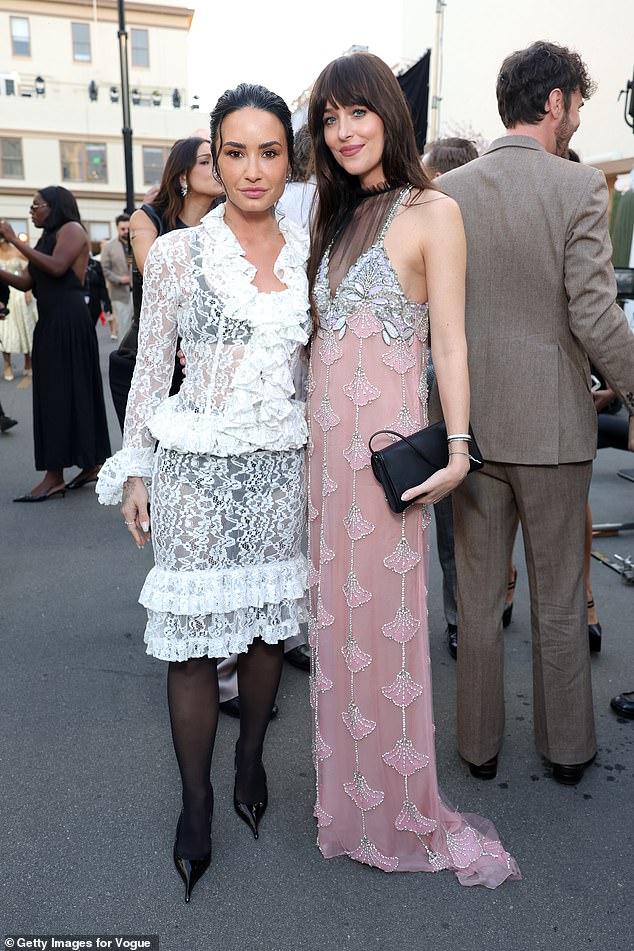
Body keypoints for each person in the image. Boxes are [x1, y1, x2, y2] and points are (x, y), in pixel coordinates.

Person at [306, 51, 519, 886]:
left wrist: (461, 448)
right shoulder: (335, 213)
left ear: (390, 113)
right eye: (329, 117)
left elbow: (452, 342)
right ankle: (348, 804)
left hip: (385, 459)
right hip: (325, 461)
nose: (344, 130)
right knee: (335, 632)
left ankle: (398, 808)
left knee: (384, 635)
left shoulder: (436, 209)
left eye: (357, 111)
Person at [96, 84, 310, 902]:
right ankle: (196, 803)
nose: (251, 169)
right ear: (212, 160)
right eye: (234, 152)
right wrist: (136, 470)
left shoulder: (310, 252)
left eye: (268, 151)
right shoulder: (181, 252)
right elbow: (151, 369)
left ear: (289, 157)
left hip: (276, 467)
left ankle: (250, 758)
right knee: (188, 639)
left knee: (262, 631)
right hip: (192, 465)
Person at [436, 41, 634, 786]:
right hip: (554, 427)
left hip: (471, 429)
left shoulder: (448, 187)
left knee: (480, 600)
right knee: (559, 599)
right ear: (554, 103)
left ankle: (479, 749)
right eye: (579, 103)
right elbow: (594, 313)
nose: (579, 116)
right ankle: (566, 751)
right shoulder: (581, 188)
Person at [0, 187, 111, 500]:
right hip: (50, 321)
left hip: (69, 320)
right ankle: (89, 464)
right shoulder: (45, 239)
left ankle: (55, 476)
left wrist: (12, 239)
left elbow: (57, 267)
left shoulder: (72, 230)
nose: (31, 211)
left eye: (37, 205)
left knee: (63, 393)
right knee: (59, 392)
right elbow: (26, 282)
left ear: (56, 206)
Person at [109, 136, 224, 432]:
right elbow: (156, 274)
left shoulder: (227, 226)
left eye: (219, 158)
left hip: (200, 367)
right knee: (146, 468)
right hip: (144, 362)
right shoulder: (148, 219)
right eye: (205, 161)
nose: (217, 167)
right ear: (182, 174)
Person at [0, 234, 37, 380]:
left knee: (25, 328)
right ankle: (7, 365)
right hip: (3, 296)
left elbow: (29, 270)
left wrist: (28, 291)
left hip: (19, 294)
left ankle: (28, 362)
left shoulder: (18, 252)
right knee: (5, 332)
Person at [100, 214, 132, 340]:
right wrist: (119, 279)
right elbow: (105, 269)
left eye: (128, 228)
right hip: (119, 294)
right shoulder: (109, 247)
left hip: (137, 292)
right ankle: (124, 357)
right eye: (122, 229)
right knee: (123, 330)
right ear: (117, 228)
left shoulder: (136, 242)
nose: (126, 232)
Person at [83, 254, 112, 327]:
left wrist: (107, 305)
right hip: (79, 304)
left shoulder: (96, 265)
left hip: (94, 304)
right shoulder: (72, 265)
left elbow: (102, 286)